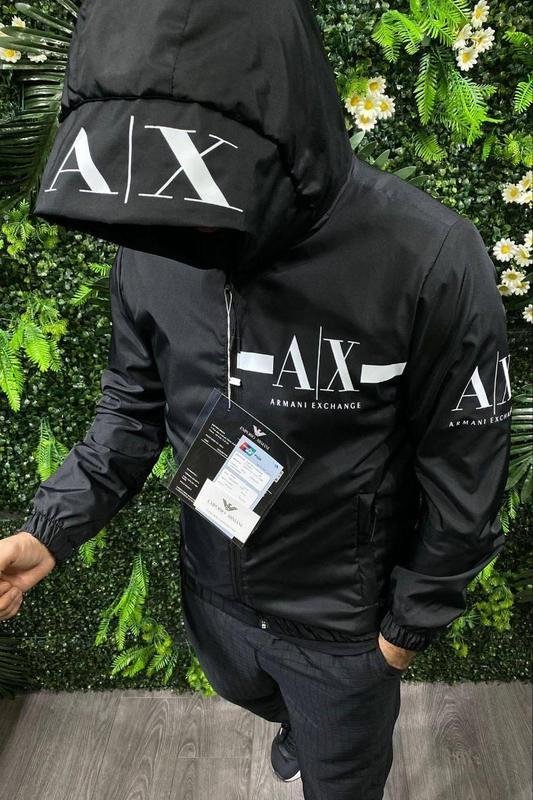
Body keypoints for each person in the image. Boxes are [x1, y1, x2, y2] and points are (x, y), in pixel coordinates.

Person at [0, 1, 512, 798]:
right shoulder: (152, 237)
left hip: (342, 628)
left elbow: (465, 466)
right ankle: (290, 719)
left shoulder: (428, 253)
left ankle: (319, 727)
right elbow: (129, 415)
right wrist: (47, 534)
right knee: (247, 688)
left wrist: (400, 635)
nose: (189, 230)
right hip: (214, 595)